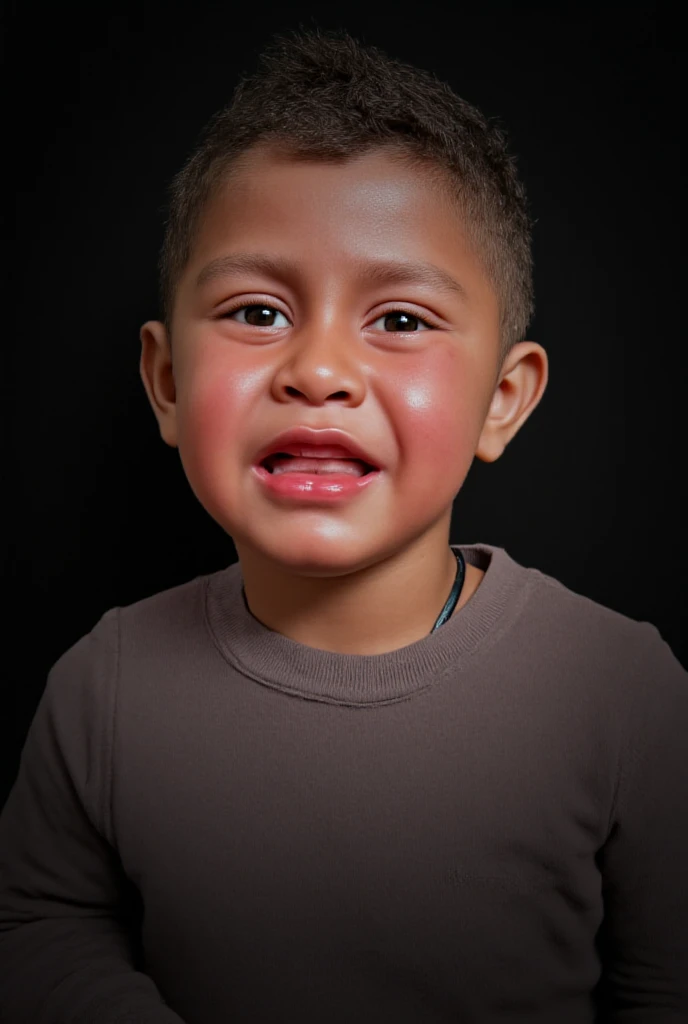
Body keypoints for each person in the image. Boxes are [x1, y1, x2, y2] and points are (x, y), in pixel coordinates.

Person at [0, 26, 686, 1024]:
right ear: (167, 383)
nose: (317, 369)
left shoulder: (622, 691)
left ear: (503, 398)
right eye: (258, 312)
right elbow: (36, 923)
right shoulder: (102, 685)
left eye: (400, 320)